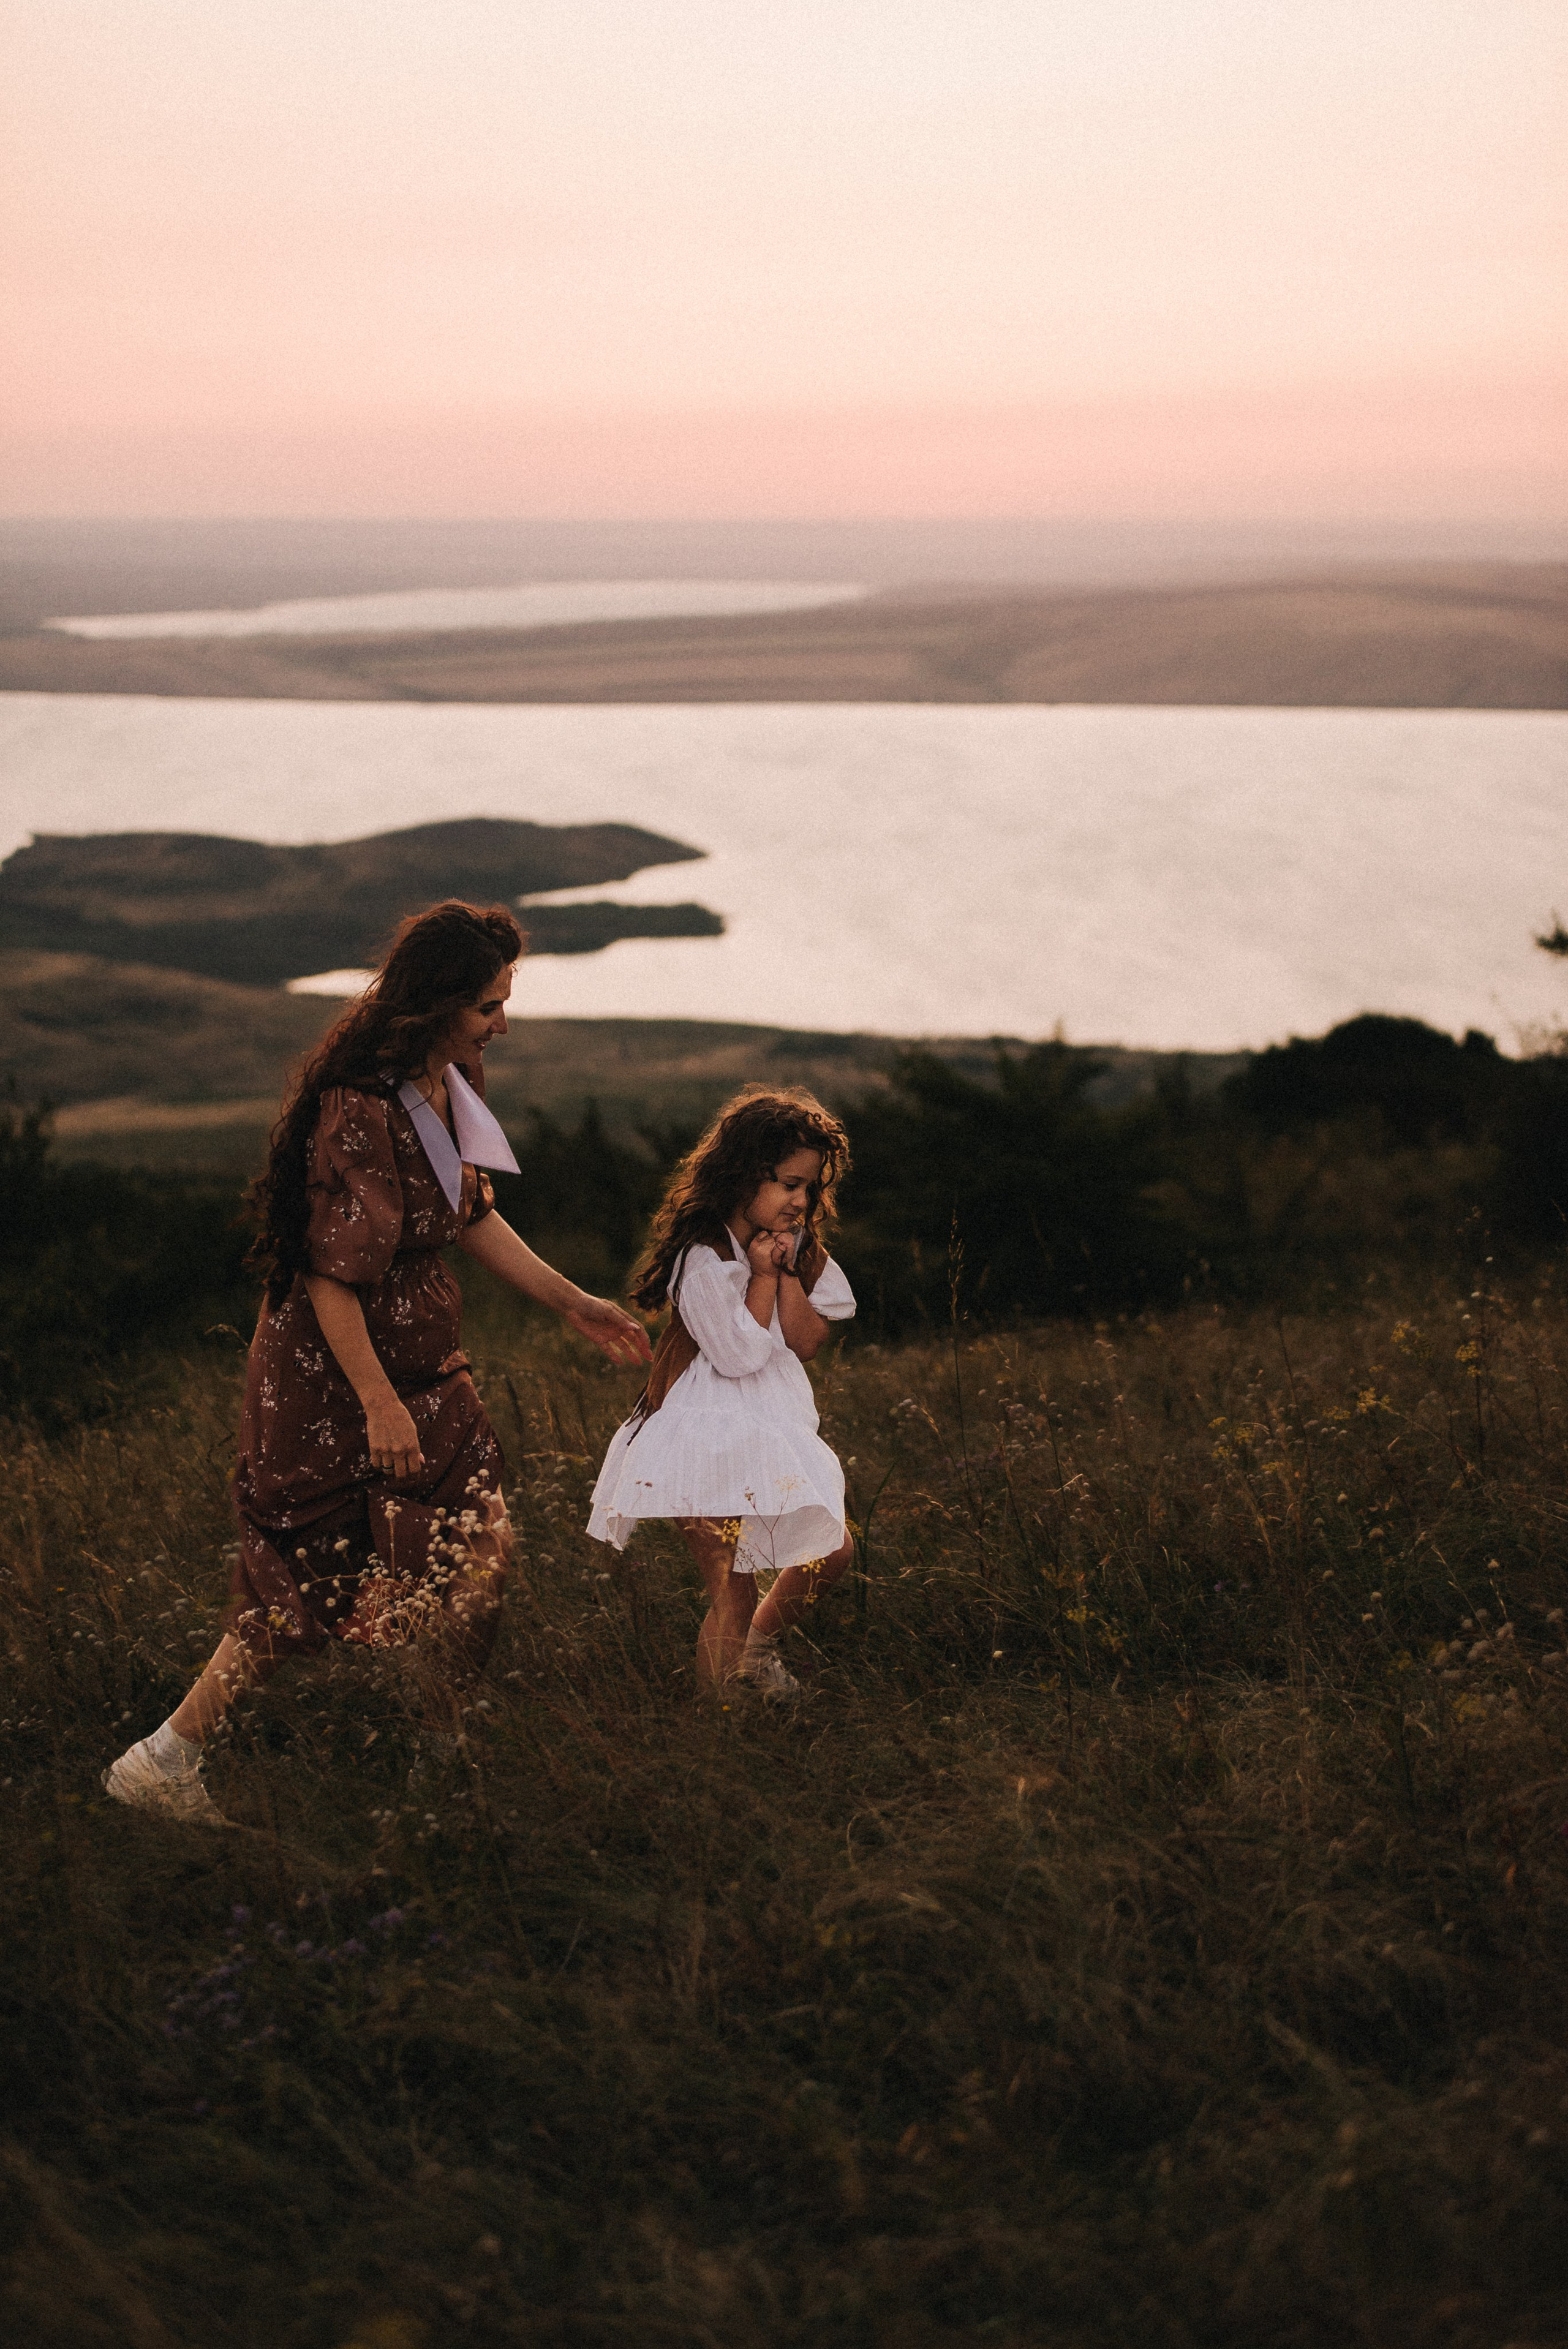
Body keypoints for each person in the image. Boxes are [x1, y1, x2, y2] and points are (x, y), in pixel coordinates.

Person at [104, 899, 650, 1822]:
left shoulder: (449, 1072)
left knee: (475, 1548)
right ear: (435, 1003)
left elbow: (466, 1209)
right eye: (487, 1005)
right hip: (336, 1379)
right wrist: (378, 1405)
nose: (503, 1022)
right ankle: (162, 1760)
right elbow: (329, 1272)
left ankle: (440, 1758)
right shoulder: (357, 1106)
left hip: (428, 1365)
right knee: (313, 1577)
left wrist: (576, 1303)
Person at [587, 1086, 856, 1694]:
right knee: (732, 1590)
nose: (802, 1200)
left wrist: (785, 1272)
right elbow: (737, 1355)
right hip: (700, 1432)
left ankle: (755, 1656)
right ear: (742, 1177)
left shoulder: (789, 1246)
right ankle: (717, 1733)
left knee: (832, 1550)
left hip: (765, 1427)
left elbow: (808, 1339)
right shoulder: (703, 1258)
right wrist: (762, 1278)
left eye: (810, 1186)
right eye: (789, 1184)